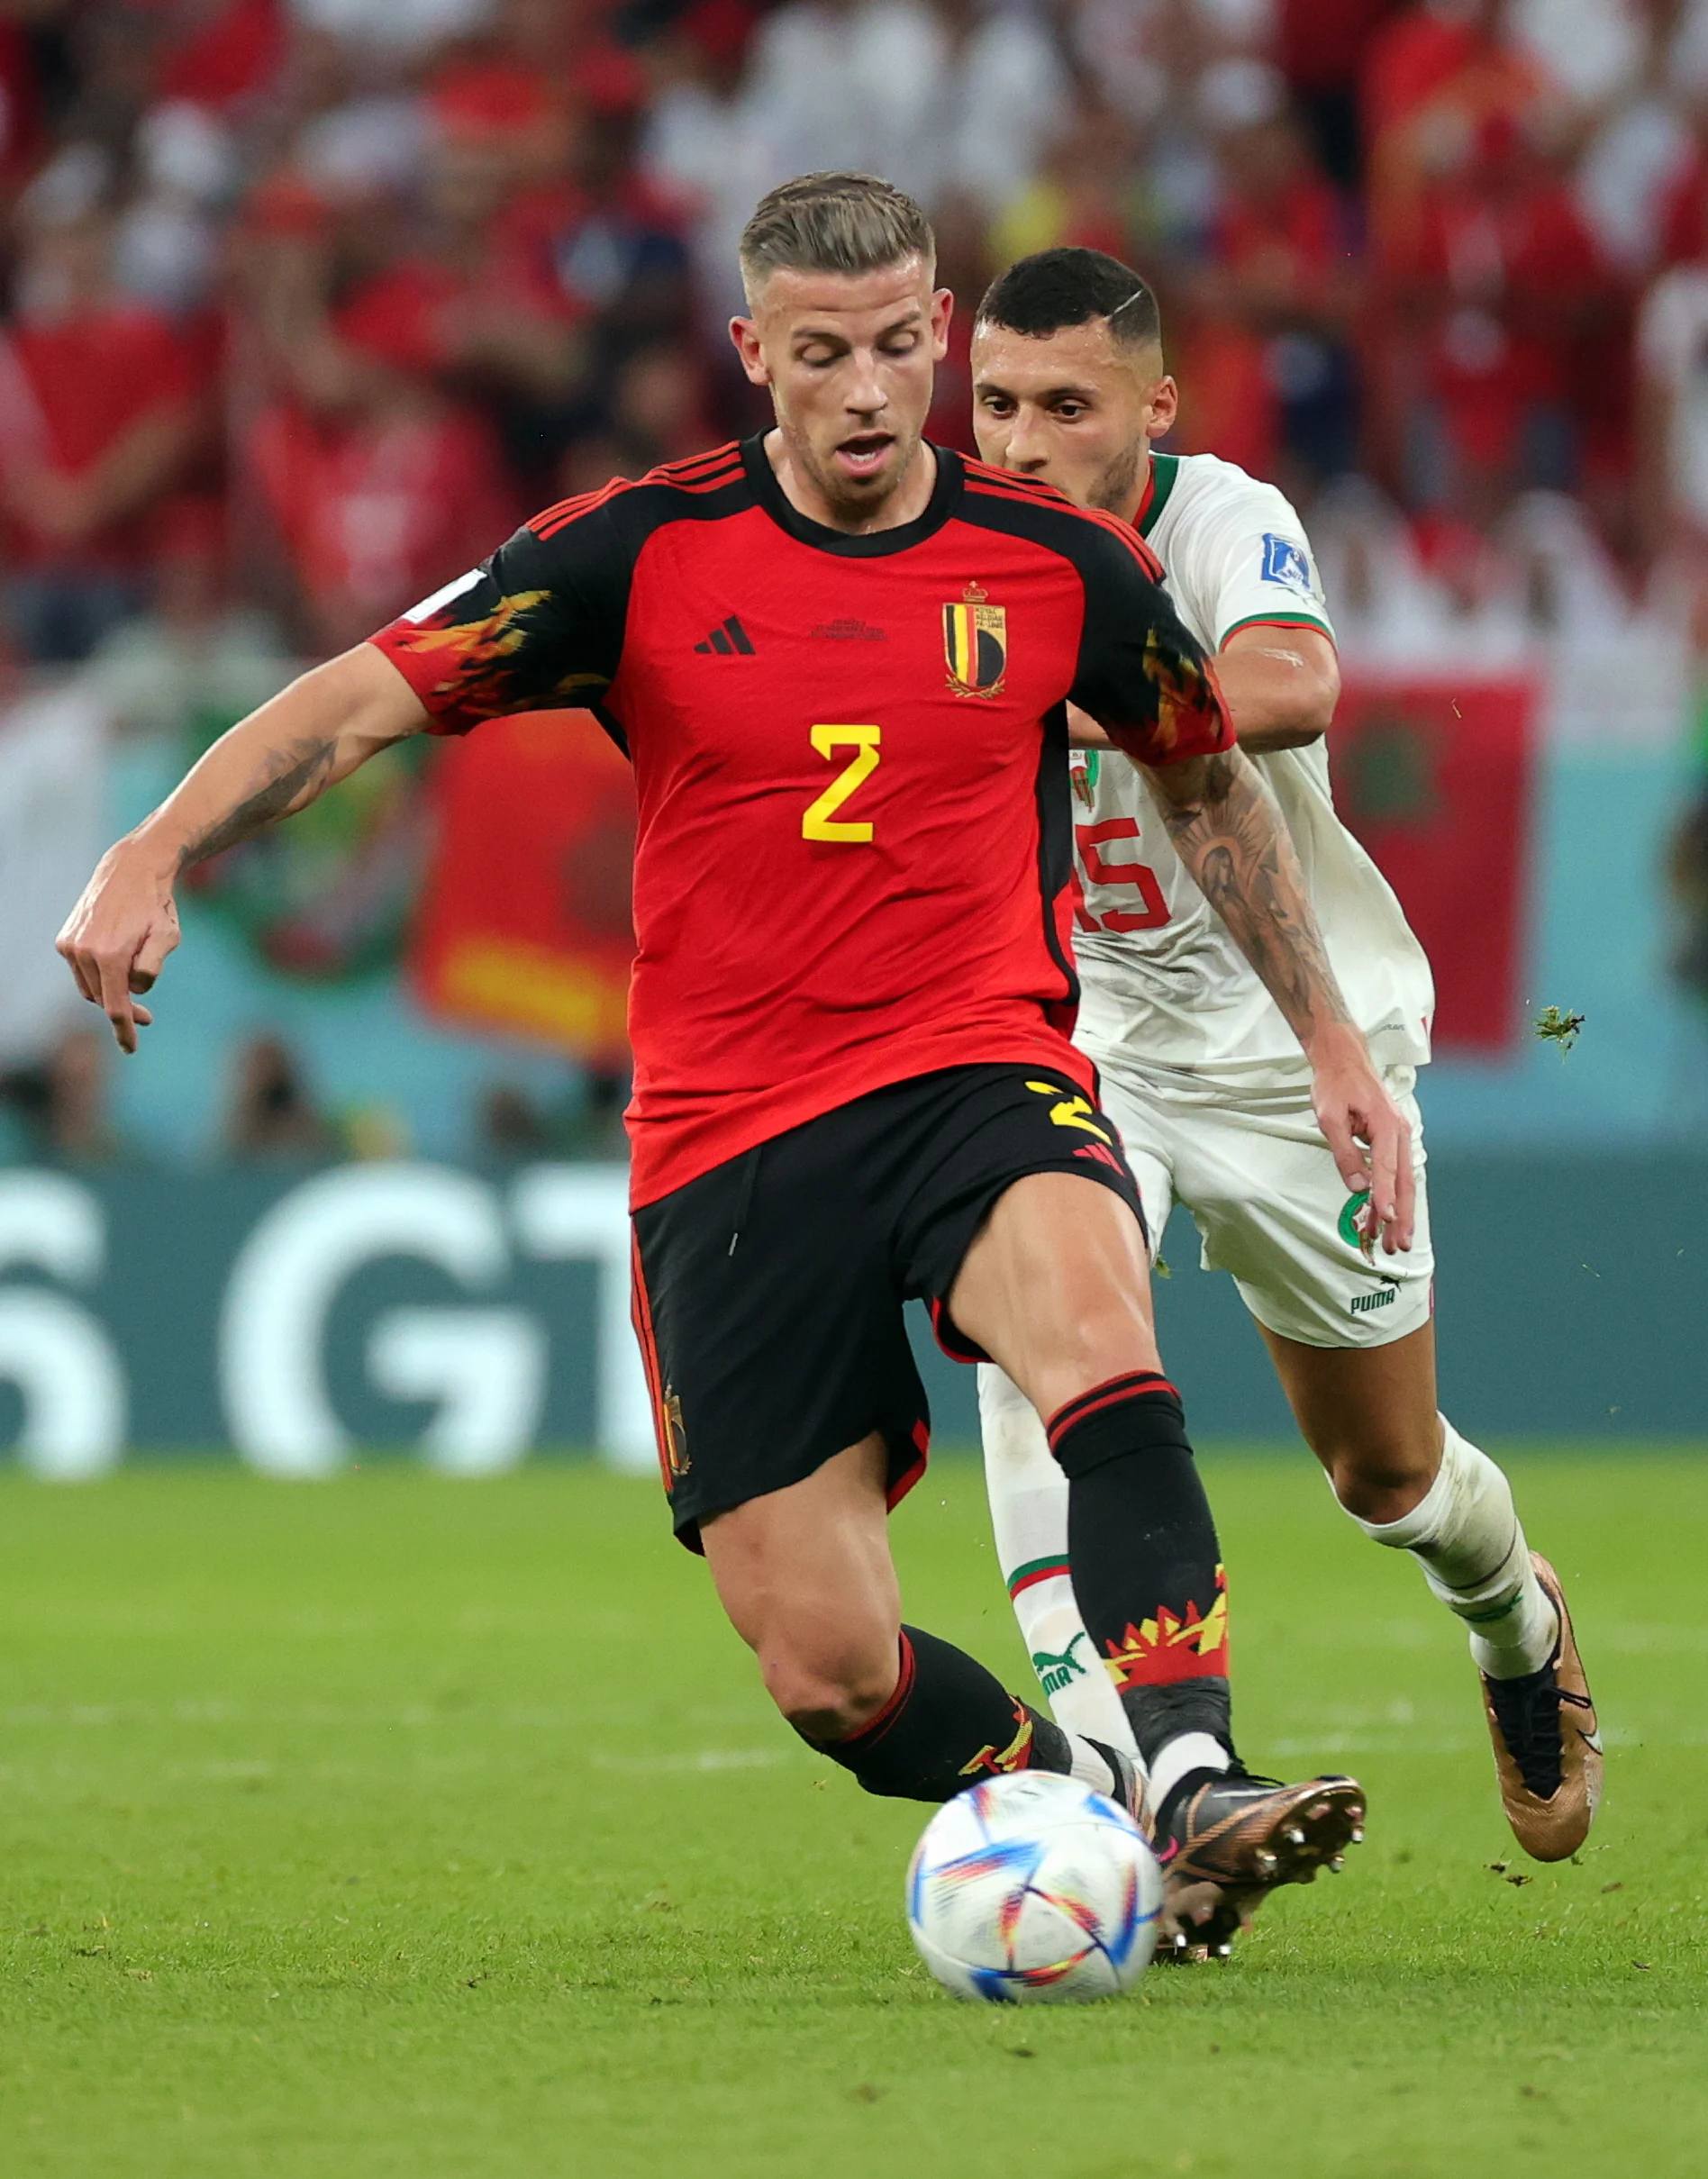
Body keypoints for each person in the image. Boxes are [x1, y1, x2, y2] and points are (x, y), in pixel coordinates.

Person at [58, 173, 1409, 1947]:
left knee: (1097, 1336)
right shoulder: (636, 552)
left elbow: (1209, 780)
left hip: (973, 1066)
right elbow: (359, 699)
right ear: (751, 352)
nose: (868, 391)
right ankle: (1097, 1827)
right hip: (733, 1139)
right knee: (827, 1666)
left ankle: (1193, 1771)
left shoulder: (1068, 565)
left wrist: (1328, 1036)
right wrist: (155, 844)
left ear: (941, 333)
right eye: (824, 354)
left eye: (899, 347)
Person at [968, 246, 1600, 1883]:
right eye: (995, 404)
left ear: (1154, 407)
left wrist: (1057, 697)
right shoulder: (953, 546)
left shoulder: (1220, 514)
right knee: (1043, 1330)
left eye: (1063, 405)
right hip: (1076, 1018)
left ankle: (1514, 1614)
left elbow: (1293, 682)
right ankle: (1144, 1770)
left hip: (1286, 1031)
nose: (1021, 443)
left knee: (1385, 1471)